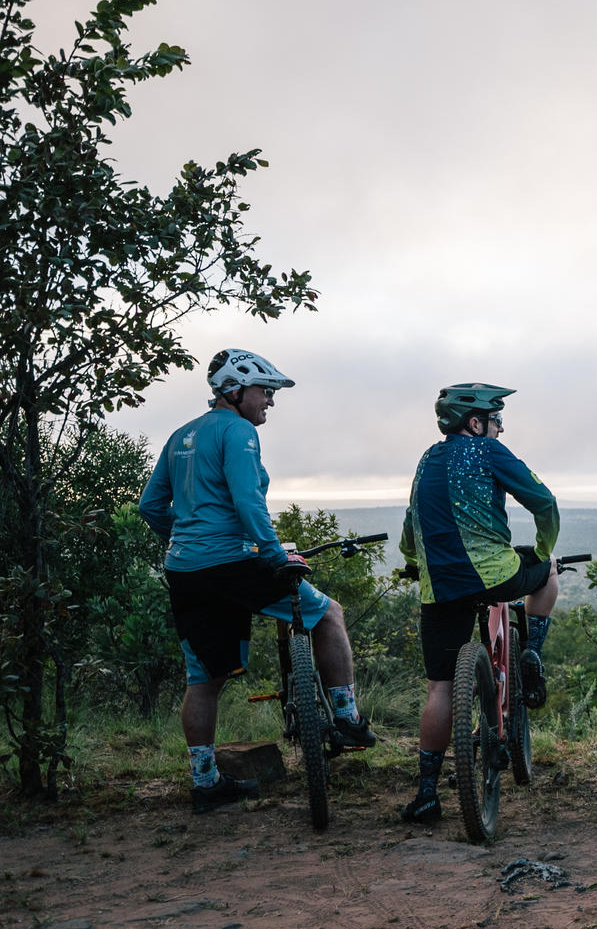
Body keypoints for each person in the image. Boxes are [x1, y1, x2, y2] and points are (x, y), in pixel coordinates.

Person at [138, 348, 374, 814]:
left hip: (185, 569)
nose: (270, 400)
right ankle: (347, 719)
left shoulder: (181, 435)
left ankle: (205, 783)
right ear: (234, 391)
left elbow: (150, 506)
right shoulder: (239, 431)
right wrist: (275, 554)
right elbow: (248, 500)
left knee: (204, 678)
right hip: (234, 562)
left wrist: (190, 541)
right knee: (328, 614)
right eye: (264, 391)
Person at [396, 383, 561, 823]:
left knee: (440, 687)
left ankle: (426, 794)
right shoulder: (487, 451)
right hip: (496, 576)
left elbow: (411, 526)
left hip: (439, 588)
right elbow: (544, 502)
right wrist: (542, 551)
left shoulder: (427, 459)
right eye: (496, 420)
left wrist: (414, 561)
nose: (500, 428)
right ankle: (532, 653)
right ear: (475, 423)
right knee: (548, 572)